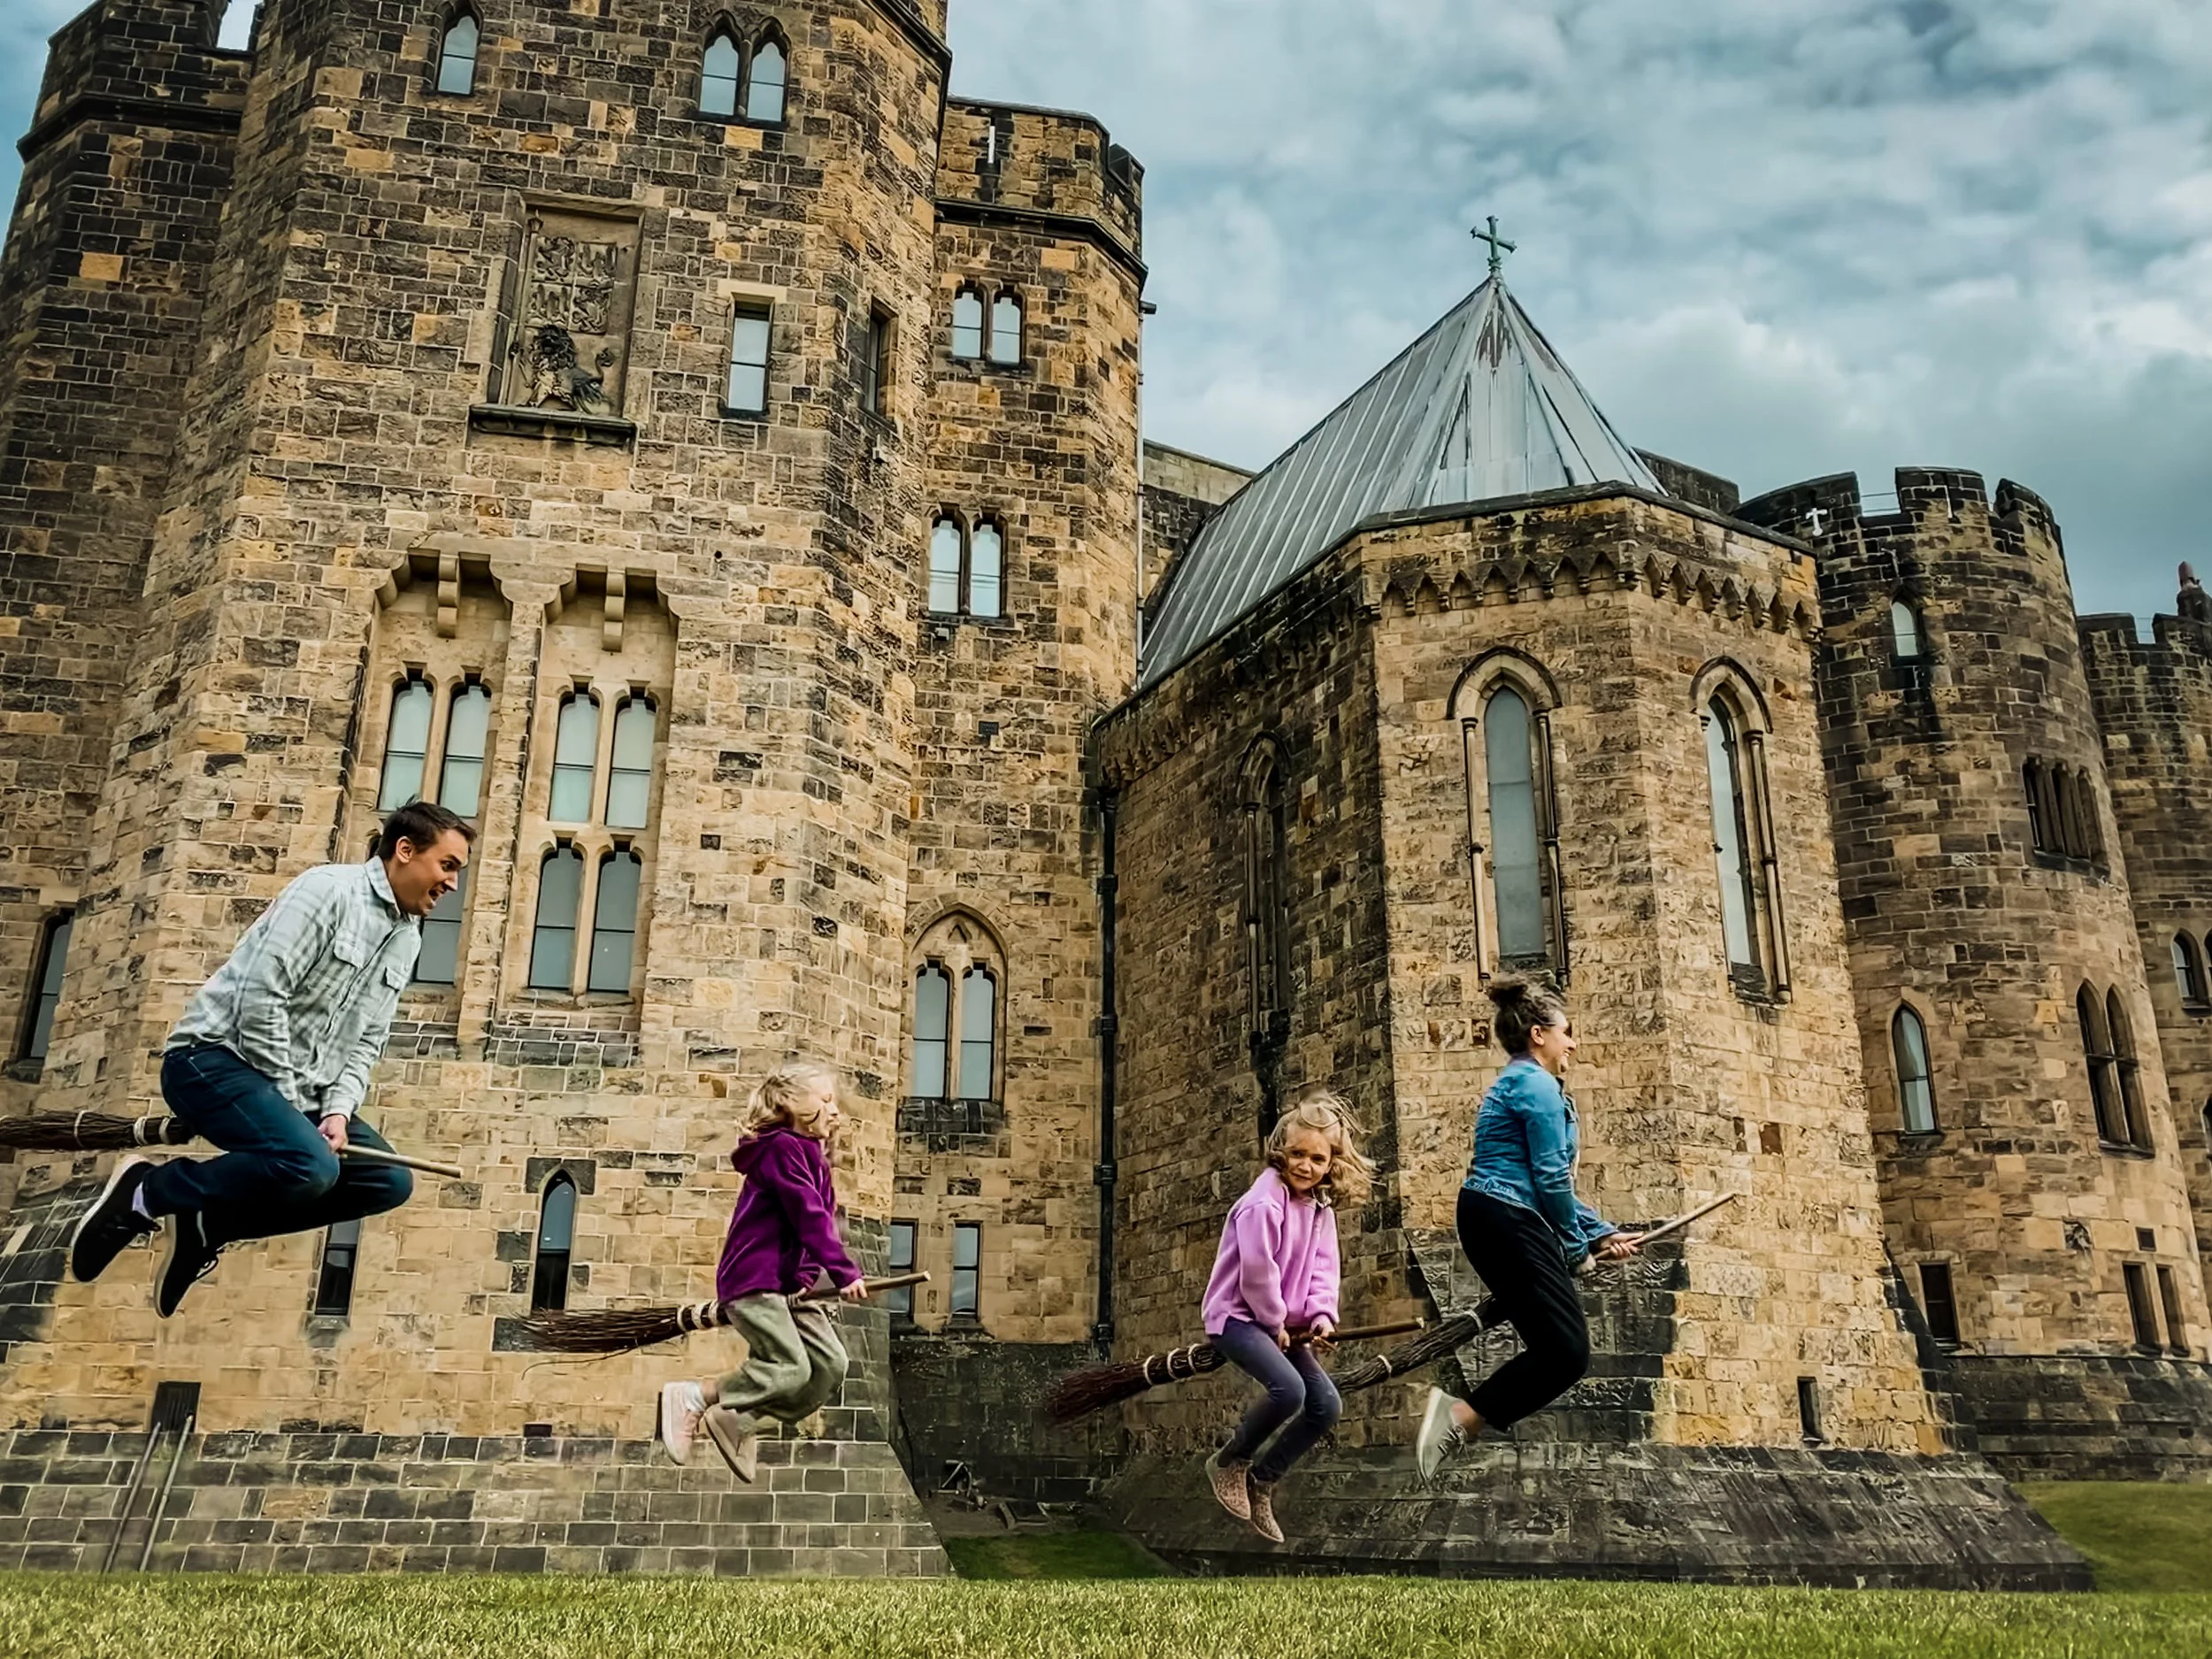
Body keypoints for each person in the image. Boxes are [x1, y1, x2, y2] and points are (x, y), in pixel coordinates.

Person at [67, 800, 474, 1317]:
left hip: (293, 1096)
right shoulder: (327, 891)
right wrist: (290, 1102)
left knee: (388, 1182)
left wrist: (336, 1112)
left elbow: (366, 1039)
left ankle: (209, 1225)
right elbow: (261, 995)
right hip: (212, 1062)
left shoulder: (406, 939)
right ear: (405, 850)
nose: (453, 884)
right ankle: (147, 1192)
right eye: (448, 865)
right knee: (309, 1165)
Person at [1416, 978, 1641, 1479]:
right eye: (1567, 1033)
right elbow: (1548, 1179)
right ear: (1539, 1034)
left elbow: (1551, 1184)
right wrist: (1577, 1246)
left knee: (1562, 1350)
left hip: (1505, 1217)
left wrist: (1601, 1233)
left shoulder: (1530, 1083)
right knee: (1566, 1352)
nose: (1573, 1043)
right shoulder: (1536, 1084)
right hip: (1506, 1219)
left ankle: (1464, 1418)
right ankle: (1460, 1417)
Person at [657, 1060, 872, 1483]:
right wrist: (844, 1273)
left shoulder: (814, 1158)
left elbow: (820, 1223)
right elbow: (807, 1216)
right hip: (755, 1280)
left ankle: (741, 1417)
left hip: (789, 1288)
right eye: (825, 1100)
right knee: (790, 1367)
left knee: (831, 1366)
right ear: (791, 1103)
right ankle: (696, 1396)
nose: (835, 1110)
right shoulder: (780, 1149)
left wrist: (808, 1279)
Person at [1199, 1085, 1374, 1544]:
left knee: (1326, 1405)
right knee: (1289, 1390)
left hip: (1283, 1325)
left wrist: (1320, 1317)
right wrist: (1274, 1320)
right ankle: (1230, 1461)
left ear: (1330, 1164)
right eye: (1298, 1154)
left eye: (1318, 1160)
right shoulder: (1263, 1202)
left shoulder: (1319, 1208)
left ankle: (1264, 1478)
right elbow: (1257, 1271)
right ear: (1280, 1151)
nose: (1306, 1166)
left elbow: (1323, 1268)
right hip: (1238, 1317)